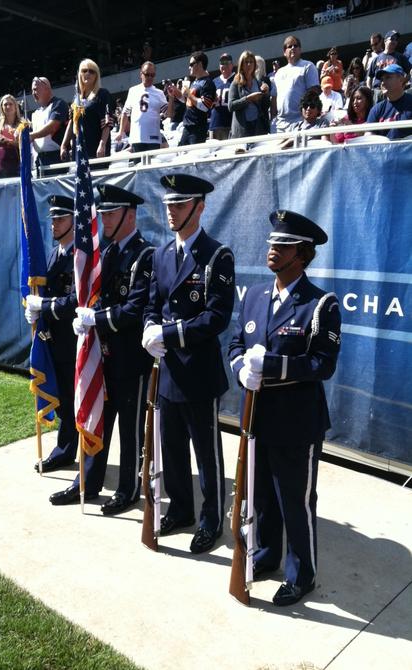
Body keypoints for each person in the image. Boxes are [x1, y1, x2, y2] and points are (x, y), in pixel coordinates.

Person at [228, 210, 341, 606]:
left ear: (303, 254)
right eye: (271, 243)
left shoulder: (320, 304)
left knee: (295, 500)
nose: (272, 250)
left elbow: (322, 364)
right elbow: (236, 345)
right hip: (256, 417)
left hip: (297, 422)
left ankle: (302, 574)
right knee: (261, 498)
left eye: (283, 245)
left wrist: (271, 366)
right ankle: (267, 555)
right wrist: (242, 368)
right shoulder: (255, 294)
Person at [142, 174, 235, 554]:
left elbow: (216, 317)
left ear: (199, 207)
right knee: (173, 447)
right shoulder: (162, 254)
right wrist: (149, 328)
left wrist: (168, 334)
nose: (171, 211)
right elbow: (153, 302)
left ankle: (211, 518)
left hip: (198, 371)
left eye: (179, 205)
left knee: (206, 453)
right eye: (168, 205)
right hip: (168, 370)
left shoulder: (217, 255)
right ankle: (180, 508)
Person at [50, 185, 154, 510]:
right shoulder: (106, 252)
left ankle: (128, 488)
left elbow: (134, 309)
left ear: (130, 214)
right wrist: (85, 316)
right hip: (103, 356)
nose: (104, 219)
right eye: (103, 212)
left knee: (130, 428)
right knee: (97, 419)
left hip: (131, 358)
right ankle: (87, 481)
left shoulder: (145, 255)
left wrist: (96, 317)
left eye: (111, 212)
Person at [25, 195, 79, 474]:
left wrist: (44, 306)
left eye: (60, 219)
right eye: (53, 220)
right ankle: (66, 449)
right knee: (63, 401)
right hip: (53, 341)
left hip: (73, 342)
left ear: (73, 220)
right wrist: (34, 311)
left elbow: (75, 301)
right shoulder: (54, 253)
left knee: (71, 401)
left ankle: (65, 451)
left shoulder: (78, 256)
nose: (54, 224)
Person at [61, 59, 113, 162]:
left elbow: (107, 123)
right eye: (84, 71)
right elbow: (72, 123)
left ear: (96, 75)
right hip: (79, 149)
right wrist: (63, 145)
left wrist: (102, 145)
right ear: (79, 74)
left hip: (97, 149)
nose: (87, 73)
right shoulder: (76, 98)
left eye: (91, 71)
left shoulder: (102, 94)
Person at [114, 61, 168, 153]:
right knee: (138, 166)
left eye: (152, 75)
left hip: (153, 138)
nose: (150, 77)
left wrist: (171, 97)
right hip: (137, 137)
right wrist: (121, 132)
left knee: (153, 166)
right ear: (141, 74)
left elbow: (168, 113)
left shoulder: (159, 93)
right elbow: (126, 113)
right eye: (147, 74)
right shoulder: (133, 91)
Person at [166, 51, 216, 146]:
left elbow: (205, 106)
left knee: (194, 158)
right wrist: (176, 92)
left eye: (191, 64)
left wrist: (189, 94)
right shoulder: (195, 82)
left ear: (200, 64)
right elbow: (188, 102)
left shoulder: (208, 83)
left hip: (197, 129)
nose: (189, 67)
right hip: (187, 128)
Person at [274, 35, 319, 131]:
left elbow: (313, 94)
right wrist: (273, 119)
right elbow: (274, 98)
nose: (293, 48)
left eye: (296, 45)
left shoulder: (308, 66)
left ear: (300, 49)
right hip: (280, 124)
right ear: (284, 52)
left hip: (301, 122)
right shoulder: (278, 72)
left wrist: (308, 119)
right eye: (289, 46)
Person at [29, 76, 69, 171]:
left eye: (35, 89)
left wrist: (31, 136)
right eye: (32, 90)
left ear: (47, 88)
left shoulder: (59, 104)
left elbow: (52, 127)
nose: (33, 93)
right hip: (40, 159)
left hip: (57, 157)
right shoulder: (35, 113)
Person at [228, 50, 270, 139]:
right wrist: (248, 99)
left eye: (251, 62)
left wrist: (266, 94)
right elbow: (231, 106)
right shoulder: (235, 83)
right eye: (246, 62)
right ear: (241, 65)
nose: (249, 65)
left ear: (255, 65)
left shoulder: (259, 83)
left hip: (258, 128)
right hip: (242, 130)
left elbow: (265, 106)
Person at [366, 64, 412, 140]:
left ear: (401, 80)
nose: (383, 83)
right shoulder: (376, 109)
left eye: (388, 77)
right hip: (383, 151)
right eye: (382, 79)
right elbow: (369, 138)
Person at [0, 94, 23, 178]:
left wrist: (14, 143)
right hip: (1, 165)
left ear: (15, 106)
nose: (8, 106)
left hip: (18, 163)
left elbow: (28, 142)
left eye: (10, 104)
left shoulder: (22, 123)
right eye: (5, 104)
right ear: (1, 107)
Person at [367, 31, 410, 101]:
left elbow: (410, 71)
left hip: (394, 91)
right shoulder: (376, 59)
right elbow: (370, 76)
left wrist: (403, 82)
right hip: (378, 92)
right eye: (392, 39)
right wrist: (370, 89)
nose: (394, 41)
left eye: (396, 40)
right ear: (385, 41)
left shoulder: (400, 57)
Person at [209, 53, 235, 140]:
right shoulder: (214, 82)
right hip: (215, 123)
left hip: (231, 124)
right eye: (221, 63)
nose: (224, 65)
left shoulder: (237, 79)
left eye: (226, 62)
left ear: (232, 65)